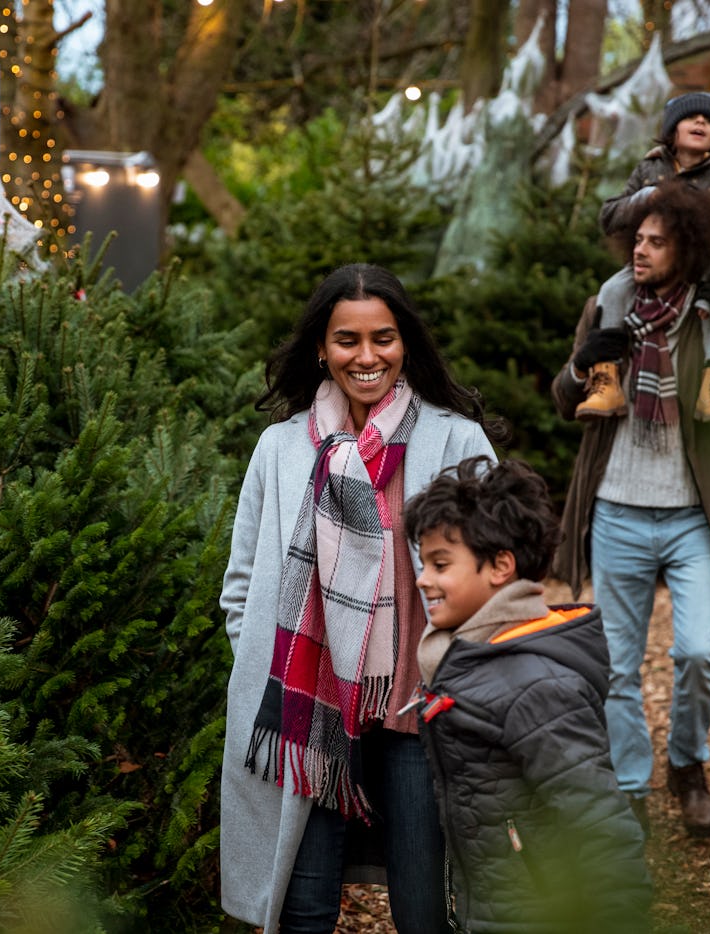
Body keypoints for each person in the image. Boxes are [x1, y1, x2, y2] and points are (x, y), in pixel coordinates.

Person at [220, 263, 502, 933]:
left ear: (406, 344)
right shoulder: (282, 448)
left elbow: (500, 574)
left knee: (425, 910)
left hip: (420, 713)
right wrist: (276, 665)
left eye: (385, 338)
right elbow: (240, 587)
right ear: (322, 347)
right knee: (303, 912)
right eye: (348, 340)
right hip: (309, 719)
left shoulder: (455, 440)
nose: (367, 356)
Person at [550, 181, 710, 838]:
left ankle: (687, 767)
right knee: (619, 664)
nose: (641, 251)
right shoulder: (610, 304)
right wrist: (581, 364)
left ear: (689, 245)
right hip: (618, 509)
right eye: (636, 239)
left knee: (701, 650)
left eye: (656, 241)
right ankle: (629, 790)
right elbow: (568, 400)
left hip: (693, 517)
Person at [407, 455, 652, 932]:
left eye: (440, 564)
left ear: (500, 566)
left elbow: (601, 821)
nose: (423, 579)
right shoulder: (469, 656)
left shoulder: (535, 685)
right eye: (423, 563)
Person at [590, 91, 710, 424]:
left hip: (699, 269)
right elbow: (609, 216)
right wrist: (647, 195)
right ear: (672, 130)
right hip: (648, 266)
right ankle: (606, 376)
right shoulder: (650, 167)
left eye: (709, 120)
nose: (701, 122)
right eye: (691, 118)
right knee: (612, 291)